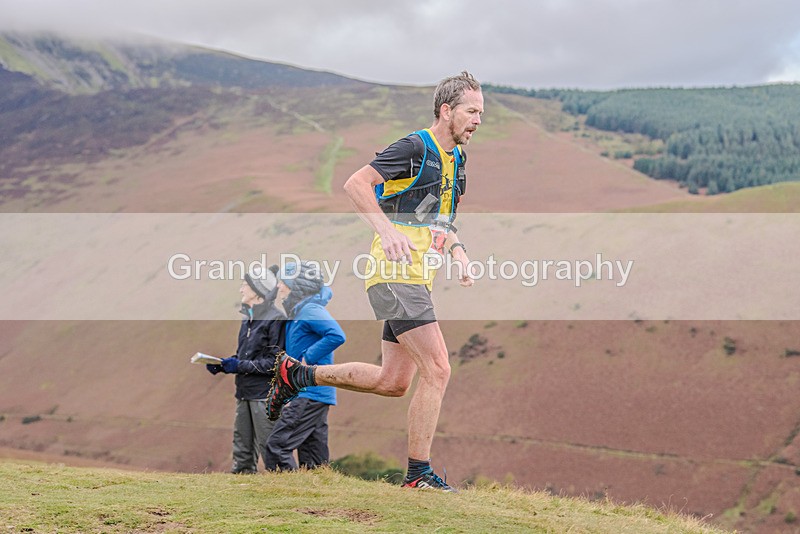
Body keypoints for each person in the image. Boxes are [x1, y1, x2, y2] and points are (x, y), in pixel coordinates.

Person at [267, 72, 483, 491]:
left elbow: (440, 220)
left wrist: (458, 253)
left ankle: (298, 375)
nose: (478, 120)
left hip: (417, 279)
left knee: (394, 382)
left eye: (481, 113)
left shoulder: (458, 160)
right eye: (471, 111)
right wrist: (386, 231)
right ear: (446, 111)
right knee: (438, 369)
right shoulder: (415, 146)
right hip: (392, 275)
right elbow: (355, 184)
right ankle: (418, 476)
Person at [264, 261, 345, 471]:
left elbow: (336, 335)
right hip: (313, 393)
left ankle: (285, 495)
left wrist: (306, 359)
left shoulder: (309, 310)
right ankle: (317, 498)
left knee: (277, 447)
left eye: (282, 282)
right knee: (314, 460)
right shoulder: (299, 311)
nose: (279, 287)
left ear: (294, 285)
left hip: (309, 392)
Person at [207, 264, 285, 474]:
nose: (241, 289)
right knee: (242, 446)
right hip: (244, 393)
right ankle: (240, 488)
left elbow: (274, 362)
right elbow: (247, 357)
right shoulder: (248, 320)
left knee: (270, 448)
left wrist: (238, 366)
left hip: (264, 395)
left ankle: (283, 488)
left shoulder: (276, 319)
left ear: (258, 291)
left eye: (245, 285)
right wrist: (224, 365)